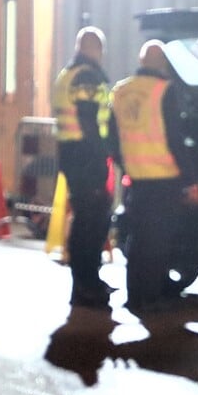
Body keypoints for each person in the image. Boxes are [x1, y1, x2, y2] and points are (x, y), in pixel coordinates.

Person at [107, 40, 190, 312]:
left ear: (142, 61)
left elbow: (111, 140)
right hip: (164, 177)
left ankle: (135, 295)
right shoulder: (164, 91)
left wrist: (127, 164)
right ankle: (151, 299)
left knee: (137, 238)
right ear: (163, 64)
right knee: (157, 242)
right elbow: (175, 139)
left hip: (135, 177)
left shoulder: (120, 91)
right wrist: (189, 174)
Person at [53, 27, 115, 308]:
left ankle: (88, 281)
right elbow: (89, 119)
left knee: (87, 219)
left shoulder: (68, 74)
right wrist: (103, 153)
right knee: (91, 222)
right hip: (86, 155)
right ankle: (86, 283)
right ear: (94, 49)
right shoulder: (86, 76)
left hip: (72, 153)